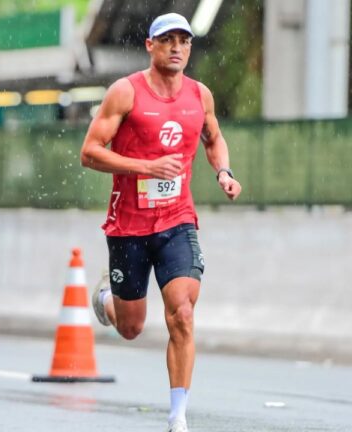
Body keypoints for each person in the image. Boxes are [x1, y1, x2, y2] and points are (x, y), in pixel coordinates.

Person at [80, 12, 241, 432]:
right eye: (167, 40)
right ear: (150, 45)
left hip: (177, 221)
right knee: (132, 327)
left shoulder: (199, 95)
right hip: (128, 226)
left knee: (182, 314)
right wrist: (146, 168)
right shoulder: (125, 92)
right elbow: (91, 152)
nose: (176, 48)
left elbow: (214, 137)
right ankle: (106, 301)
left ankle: (178, 416)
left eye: (183, 41)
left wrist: (223, 171)